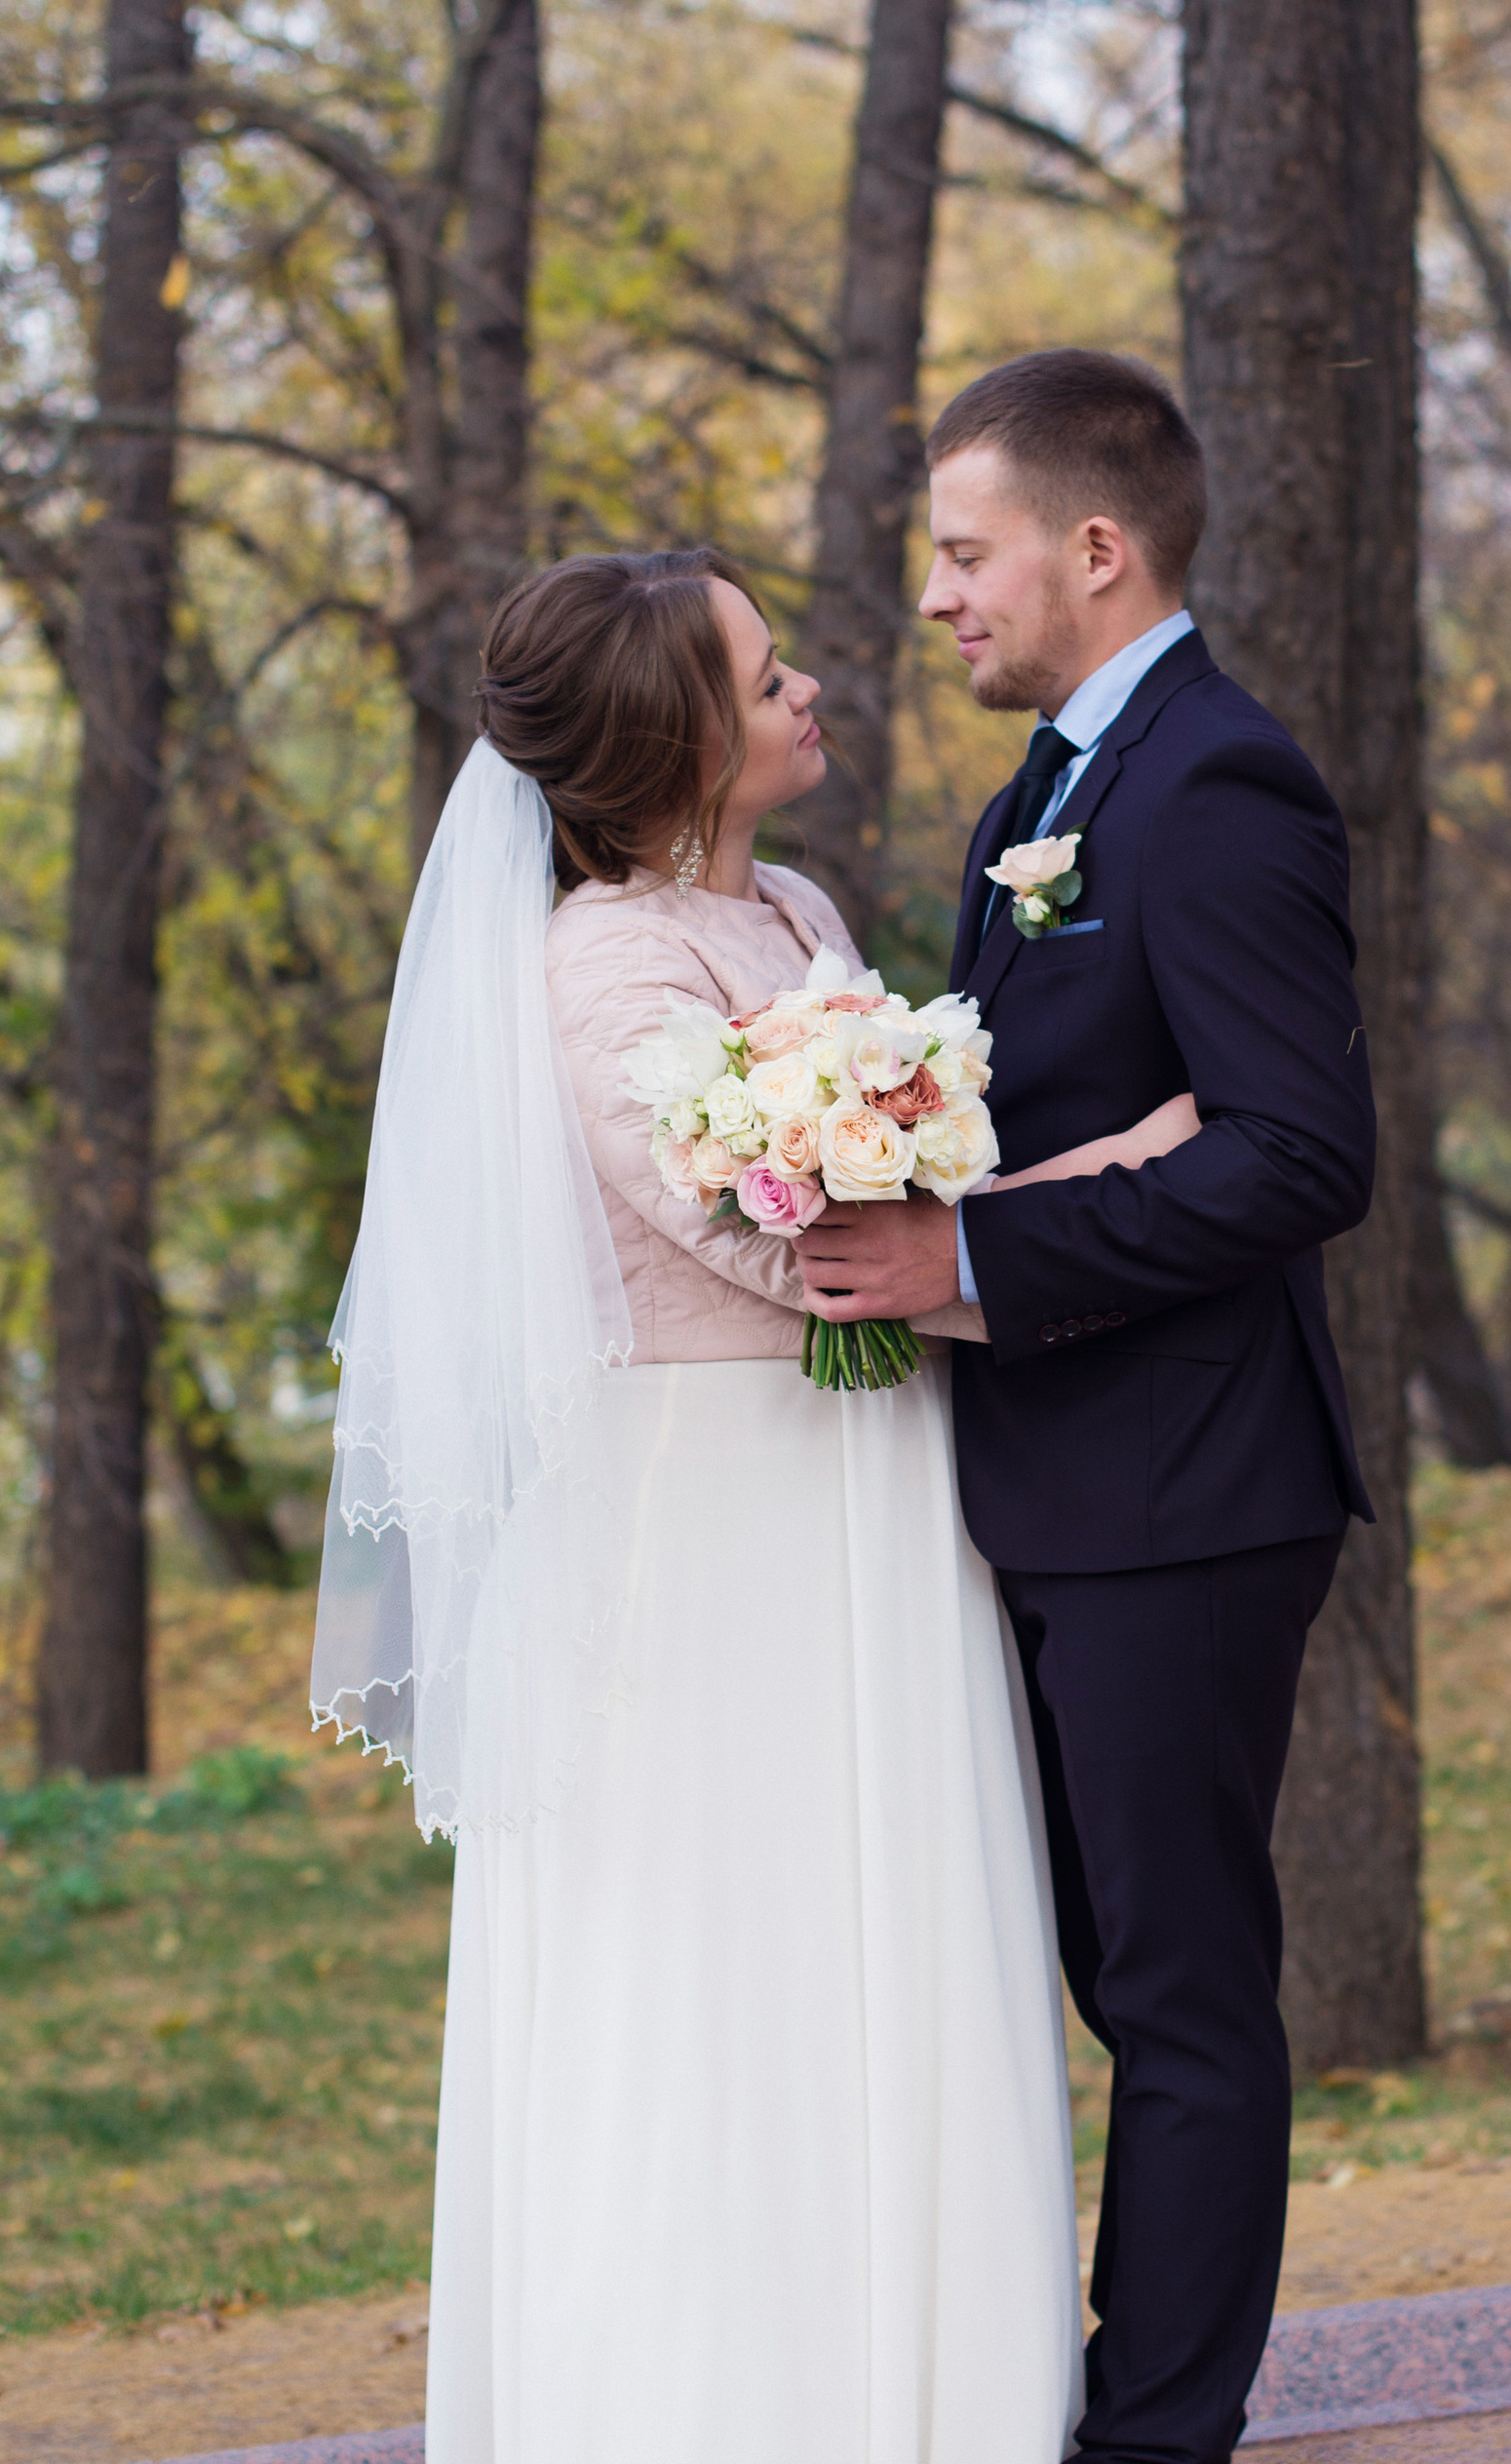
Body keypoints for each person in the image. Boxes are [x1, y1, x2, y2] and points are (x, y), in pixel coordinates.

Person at [309, 547, 1193, 2464]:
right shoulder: (599, 965)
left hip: (863, 1490)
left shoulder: (784, 899)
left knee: (894, 1928)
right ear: (676, 739)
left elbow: (896, 1184)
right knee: (728, 1964)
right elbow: (802, 1255)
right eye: (763, 670)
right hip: (707, 1527)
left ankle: (927, 2381)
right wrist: (1125, 1158)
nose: (806, 688)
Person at [796, 351, 1376, 2464]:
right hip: (1053, 1479)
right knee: (1103, 1973)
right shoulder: (1034, 796)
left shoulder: (1211, 780)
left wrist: (970, 1268)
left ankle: (1156, 2431)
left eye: (966, 553)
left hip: (1188, 1482)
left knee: (1180, 1995)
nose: (938, 595)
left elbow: (1304, 1151)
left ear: (1092, 549)